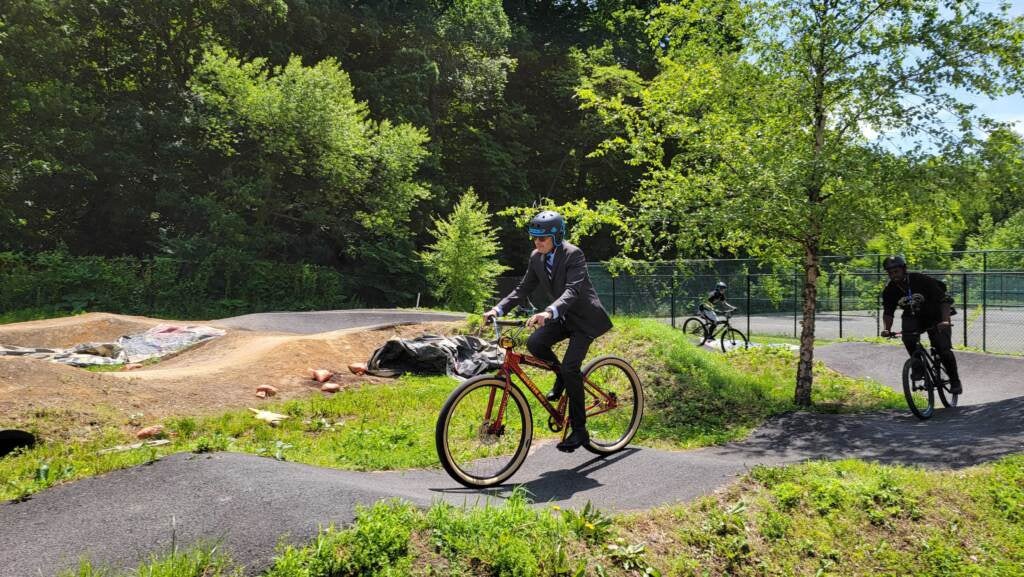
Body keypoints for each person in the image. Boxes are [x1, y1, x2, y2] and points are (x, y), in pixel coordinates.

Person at [482, 210, 613, 452]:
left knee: (571, 367)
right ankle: (562, 377)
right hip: (561, 317)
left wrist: (548, 312)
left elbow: (573, 291)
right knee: (535, 344)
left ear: (557, 236)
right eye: (534, 238)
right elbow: (522, 289)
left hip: (584, 319)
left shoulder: (573, 254)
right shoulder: (536, 258)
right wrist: (497, 310)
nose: (537, 242)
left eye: (542, 238)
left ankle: (580, 430)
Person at [879, 255, 962, 395]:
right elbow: (888, 312)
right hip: (914, 317)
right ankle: (917, 365)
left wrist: (946, 321)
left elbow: (944, 300)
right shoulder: (890, 290)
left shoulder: (920, 280)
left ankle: (954, 380)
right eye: (890, 273)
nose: (894, 275)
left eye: (896, 271)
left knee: (943, 349)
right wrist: (887, 329)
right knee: (908, 338)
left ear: (904, 269)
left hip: (937, 316)